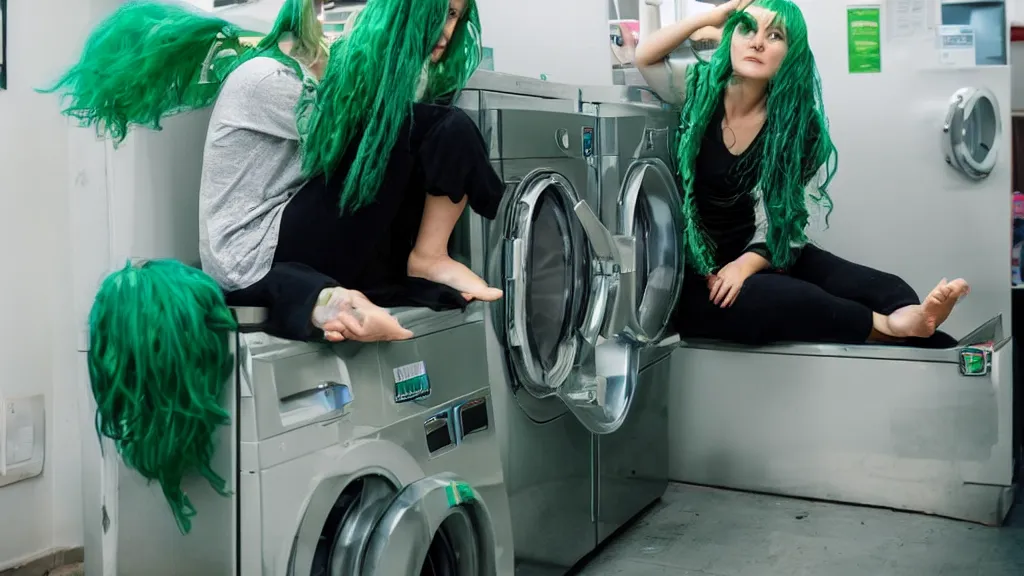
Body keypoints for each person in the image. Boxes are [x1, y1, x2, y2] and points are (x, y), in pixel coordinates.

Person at [634, 0, 970, 346]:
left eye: (774, 34)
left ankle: (914, 319)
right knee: (787, 297)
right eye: (747, 29)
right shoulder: (699, 89)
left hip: (765, 251)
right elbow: (645, 57)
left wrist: (745, 265)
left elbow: (785, 224)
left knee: (885, 287)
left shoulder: (796, 126)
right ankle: (895, 328)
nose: (758, 42)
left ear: (790, 53)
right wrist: (711, 17)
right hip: (703, 278)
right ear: (730, 37)